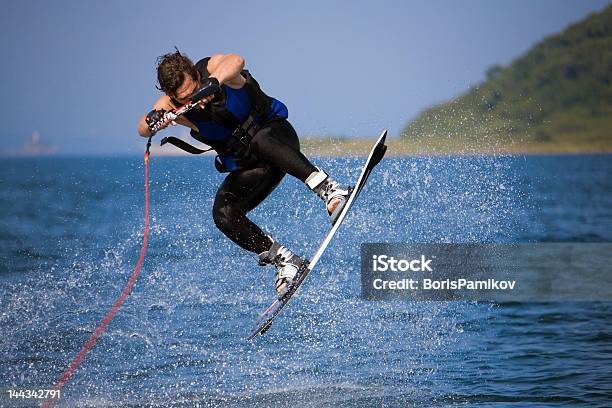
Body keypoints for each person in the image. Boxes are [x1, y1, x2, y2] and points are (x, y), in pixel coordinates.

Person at [138, 50, 350, 297]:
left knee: (259, 140)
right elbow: (143, 126)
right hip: (255, 168)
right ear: (172, 95)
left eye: (193, 89)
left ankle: (330, 191)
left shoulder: (216, 69)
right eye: (184, 97)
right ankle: (285, 261)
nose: (192, 98)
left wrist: (213, 83)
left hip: (278, 140)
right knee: (222, 213)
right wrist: (156, 120)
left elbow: (236, 61)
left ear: (196, 74)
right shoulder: (173, 106)